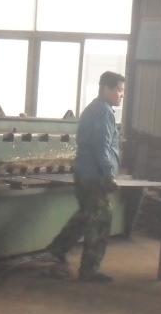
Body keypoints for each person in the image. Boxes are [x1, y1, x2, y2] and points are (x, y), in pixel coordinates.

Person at [44, 71, 124, 282]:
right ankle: (89, 270)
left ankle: (58, 248)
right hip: (93, 176)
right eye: (119, 90)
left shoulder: (95, 108)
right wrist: (108, 174)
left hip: (85, 173)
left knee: (87, 214)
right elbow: (102, 146)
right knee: (101, 219)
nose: (121, 95)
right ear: (106, 89)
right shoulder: (103, 112)